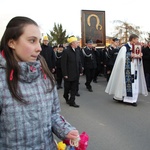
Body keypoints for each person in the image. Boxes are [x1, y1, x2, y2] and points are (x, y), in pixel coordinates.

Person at [0, 16, 79, 149]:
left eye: (39, 41)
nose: (39, 48)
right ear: (12, 43)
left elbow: (53, 114)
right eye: (32, 41)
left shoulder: (46, 75)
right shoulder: (2, 81)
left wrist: (66, 130)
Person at [105, 34, 148, 106]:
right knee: (125, 83)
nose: (137, 41)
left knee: (134, 84)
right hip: (127, 69)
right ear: (133, 39)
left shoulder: (137, 47)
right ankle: (125, 99)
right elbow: (121, 58)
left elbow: (138, 57)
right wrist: (130, 55)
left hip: (135, 68)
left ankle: (132, 99)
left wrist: (140, 56)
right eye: (136, 39)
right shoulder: (125, 47)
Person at [61, 36, 83, 107]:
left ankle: (72, 101)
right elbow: (63, 64)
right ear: (72, 43)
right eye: (76, 42)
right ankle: (65, 96)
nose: (78, 43)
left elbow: (79, 61)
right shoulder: (66, 51)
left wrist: (80, 70)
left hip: (76, 73)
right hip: (68, 74)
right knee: (67, 88)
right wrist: (65, 74)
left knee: (74, 88)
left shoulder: (77, 51)